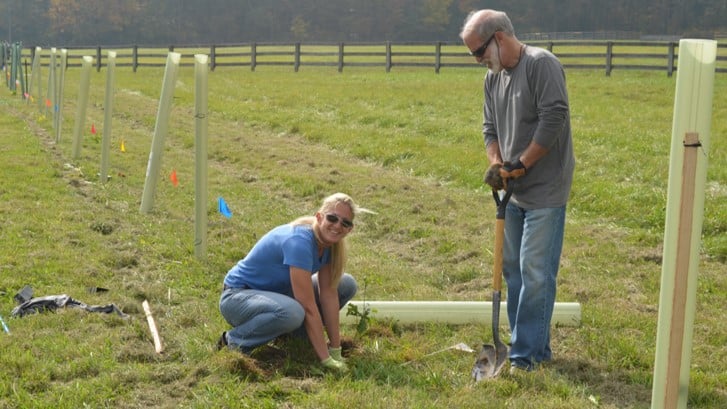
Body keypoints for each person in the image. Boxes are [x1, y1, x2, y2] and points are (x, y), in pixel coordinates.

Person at [460, 10, 575, 373]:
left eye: (479, 52)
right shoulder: (492, 79)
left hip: (545, 188)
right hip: (513, 190)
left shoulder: (542, 64)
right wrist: (497, 163)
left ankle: (526, 355)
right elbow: (489, 126)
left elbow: (554, 117)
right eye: (473, 55)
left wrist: (522, 163)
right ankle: (526, 346)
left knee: (536, 271)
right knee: (513, 271)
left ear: (500, 37)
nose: (478, 60)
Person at [218, 193, 367, 372]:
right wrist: (325, 360)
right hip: (237, 297)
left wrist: (336, 350)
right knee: (294, 311)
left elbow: (328, 294)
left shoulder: (329, 245)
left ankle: (292, 336)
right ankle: (232, 341)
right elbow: (308, 307)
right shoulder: (299, 242)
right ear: (319, 217)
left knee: (345, 284)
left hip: (277, 295)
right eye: (332, 218)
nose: (337, 226)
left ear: (350, 229)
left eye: (345, 223)